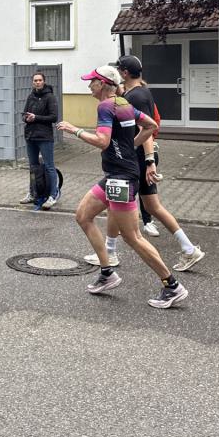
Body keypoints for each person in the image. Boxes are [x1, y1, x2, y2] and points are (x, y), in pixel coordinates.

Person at [58, 65, 189, 309]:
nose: (89, 85)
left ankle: (172, 285)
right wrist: (131, 146)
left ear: (103, 84)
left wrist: (74, 130)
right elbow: (151, 125)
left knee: (133, 237)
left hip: (121, 179)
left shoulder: (106, 106)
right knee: (83, 216)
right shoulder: (122, 103)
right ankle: (107, 273)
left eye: (92, 81)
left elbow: (102, 141)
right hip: (115, 176)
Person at [84, 55, 205, 273]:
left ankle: (113, 254)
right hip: (136, 159)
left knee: (130, 211)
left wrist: (149, 161)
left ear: (124, 73)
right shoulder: (140, 92)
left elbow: (147, 130)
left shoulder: (135, 97)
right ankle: (187, 248)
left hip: (135, 161)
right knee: (149, 206)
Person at [19, 71, 60, 210]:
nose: (37, 82)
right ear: (32, 82)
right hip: (31, 136)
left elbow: (54, 117)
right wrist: (26, 118)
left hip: (44, 137)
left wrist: (36, 117)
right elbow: (24, 114)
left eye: (40, 80)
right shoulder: (31, 96)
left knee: (49, 166)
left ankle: (53, 195)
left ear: (44, 81)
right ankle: (33, 193)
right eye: (35, 80)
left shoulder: (50, 97)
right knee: (33, 167)